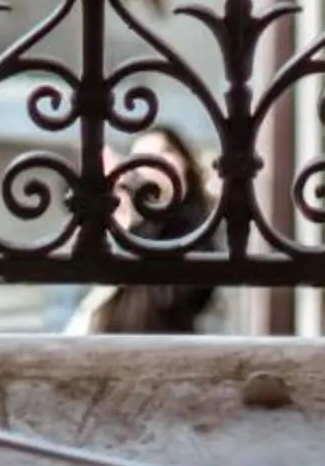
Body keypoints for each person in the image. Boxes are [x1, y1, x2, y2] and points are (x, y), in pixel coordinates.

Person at [66, 127, 221, 335]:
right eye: (143, 157)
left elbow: (182, 295)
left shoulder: (198, 226)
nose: (157, 162)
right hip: (111, 340)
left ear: (183, 160)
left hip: (162, 342)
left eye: (165, 150)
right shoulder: (126, 221)